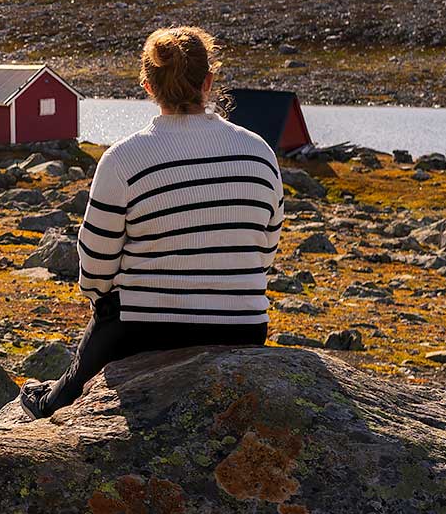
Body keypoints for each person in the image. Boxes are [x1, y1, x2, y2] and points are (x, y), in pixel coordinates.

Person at [19, 26, 280, 418]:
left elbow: (95, 266)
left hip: (144, 329)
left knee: (86, 356)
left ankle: (55, 401)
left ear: (147, 85)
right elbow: (264, 252)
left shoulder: (124, 159)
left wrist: (104, 299)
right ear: (208, 81)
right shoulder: (260, 153)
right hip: (242, 328)